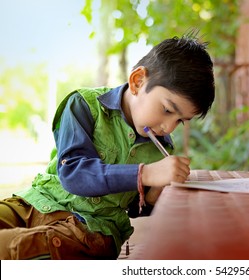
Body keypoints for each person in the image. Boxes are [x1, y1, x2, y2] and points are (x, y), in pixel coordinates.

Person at [0, 31, 215, 259]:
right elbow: (74, 173)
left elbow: (134, 209)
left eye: (180, 121)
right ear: (138, 81)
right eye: (167, 110)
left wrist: (154, 194)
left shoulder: (161, 149)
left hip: (91, 231)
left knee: (11, 248)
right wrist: (145, 174)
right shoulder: (83, 105)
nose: (169, 128)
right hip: (35, 203)